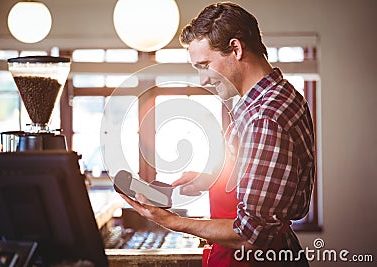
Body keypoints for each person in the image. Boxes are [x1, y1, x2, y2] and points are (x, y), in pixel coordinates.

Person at [120, 2, 315, 266]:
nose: (202, 80)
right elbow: (260, 178)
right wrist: (210, 180)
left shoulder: (265, 117)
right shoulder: (270, 99)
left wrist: (172, 221)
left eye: (204, 65)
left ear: (236, 48)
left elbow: (253, 235)